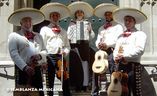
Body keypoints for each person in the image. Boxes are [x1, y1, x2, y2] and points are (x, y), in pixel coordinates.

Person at [8, 8, 47, 96]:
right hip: (23, 70)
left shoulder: (38, 36)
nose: (28, 23)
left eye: (29, 21)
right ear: (21, 23)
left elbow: (44, 50)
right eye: (25, 21)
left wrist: (40, 56)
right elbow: (13, 54)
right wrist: (25, 67)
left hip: (37, 69)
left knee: (39, 93)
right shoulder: (14, 36)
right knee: (24, 93)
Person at [112, 8, 147, 96]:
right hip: (120, 66)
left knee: (135, 91)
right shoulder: (120, 36)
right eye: (125, 20)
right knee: (121, 92)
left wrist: (124, 56)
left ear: (134, 22)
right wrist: (115, 57)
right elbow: (116, 50)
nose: (127, 22)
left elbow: (140, 50)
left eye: (129, 20)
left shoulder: (140, 34)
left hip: (133, 67)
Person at [40, 2, 71, 96]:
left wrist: (65, 52)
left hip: (60, 57)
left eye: (57, 15)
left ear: (59, 17)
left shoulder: (64, 31)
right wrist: (43, 60)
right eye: (53, 15)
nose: (55, 17)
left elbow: (67, 46)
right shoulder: (44, 29)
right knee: (50, 80)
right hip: (49, 57)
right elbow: (42, 45)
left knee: (65, 78)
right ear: (50, 17)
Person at [91, 3, 123, 96]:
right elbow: (97, 40)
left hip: (112, 51)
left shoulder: (118, 26)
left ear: (113, 15)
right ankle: (94, 92)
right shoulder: (101, 28)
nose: (107, 16)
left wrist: (107, 44)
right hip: (101, 52)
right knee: (95, 70)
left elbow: (118, 41)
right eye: (106, 14)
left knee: (113, 70)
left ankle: (114, 90)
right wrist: (99, 44)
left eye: (109, 14)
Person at [67, 1, 95, 91]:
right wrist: (72, 34)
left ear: (83, 14)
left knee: (85, 65)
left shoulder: (87, 23)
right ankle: (77, 84)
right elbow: (68, 36)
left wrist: (90, 31)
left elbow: (91, 38)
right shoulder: (72, 23)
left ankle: (85, 85)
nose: (79, 14)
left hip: (84, 46)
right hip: (75, 47)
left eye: (81, 12)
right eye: (78, 12)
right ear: (75, 14)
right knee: (76, 66)